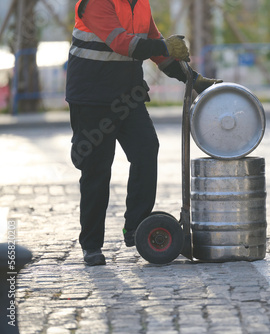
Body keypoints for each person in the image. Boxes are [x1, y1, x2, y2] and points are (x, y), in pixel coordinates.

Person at [66, 0, 221, 266]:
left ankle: (136, 227)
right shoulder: (95, 3)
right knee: (97, 169)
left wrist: (192, 79)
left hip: (127, 96)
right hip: (91, 97)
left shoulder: (141, 5)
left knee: (146, 149)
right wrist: (164, 45)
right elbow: (123, 44)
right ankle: (91, 244)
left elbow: (157, 49)